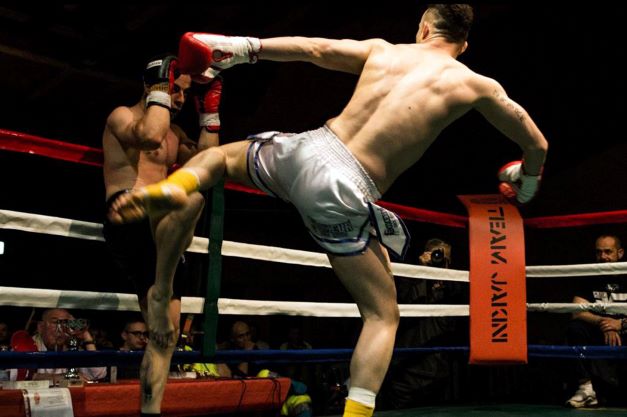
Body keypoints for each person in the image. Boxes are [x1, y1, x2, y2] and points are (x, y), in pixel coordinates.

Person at [107, 5, 548, 416]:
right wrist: (525, 180)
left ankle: (177, 185)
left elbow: (313, 48)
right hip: (344, 187)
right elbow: (537, 144)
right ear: (463, 45)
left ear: (425, 28)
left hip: (307, 147)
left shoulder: (384, 51)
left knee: (219, 159)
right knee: (382, 315)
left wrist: (242, 48)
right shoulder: (477, 85)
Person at [102, 53, 223, 416]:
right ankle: (155, 205)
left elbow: (207, 164)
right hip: (128, 212)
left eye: (185, 92)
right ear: (152, 84)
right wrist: (159, 87)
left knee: (165, 337)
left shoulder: (176, 134)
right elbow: (149, 135)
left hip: (163, 228)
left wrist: (210, 115)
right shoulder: (122, 115)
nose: (181, 98)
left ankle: (150, 411)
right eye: (174, 89)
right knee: (186, 200)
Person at [381, 238, 467, 409]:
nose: (438, 260)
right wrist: (422, 273)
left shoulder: (453, 285)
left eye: (444, 258)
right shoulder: (409, 279)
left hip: (440, 372)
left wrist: (444, 275)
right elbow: (402, 303)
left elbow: (460, 297)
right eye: (436, 256)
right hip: (406, 372)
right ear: (424, 255)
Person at [565, 234, 626, 408]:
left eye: (608, 252)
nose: (603, 256)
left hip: (624, 330)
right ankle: (586, 388)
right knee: (575, 328)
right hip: (600, 331)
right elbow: (577, 312)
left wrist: (621, 324)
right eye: (599, 252)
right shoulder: (590, 275)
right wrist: (603, 321)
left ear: (620, 253)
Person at [32, 308, 106, 384]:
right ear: (41, 327)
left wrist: (86, 335)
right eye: (55, 322)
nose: (61, 328)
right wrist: (60, 377)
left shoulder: (70, 347)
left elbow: (98, 374)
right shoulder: (31, 345)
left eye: (65, 323)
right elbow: (26, 376)